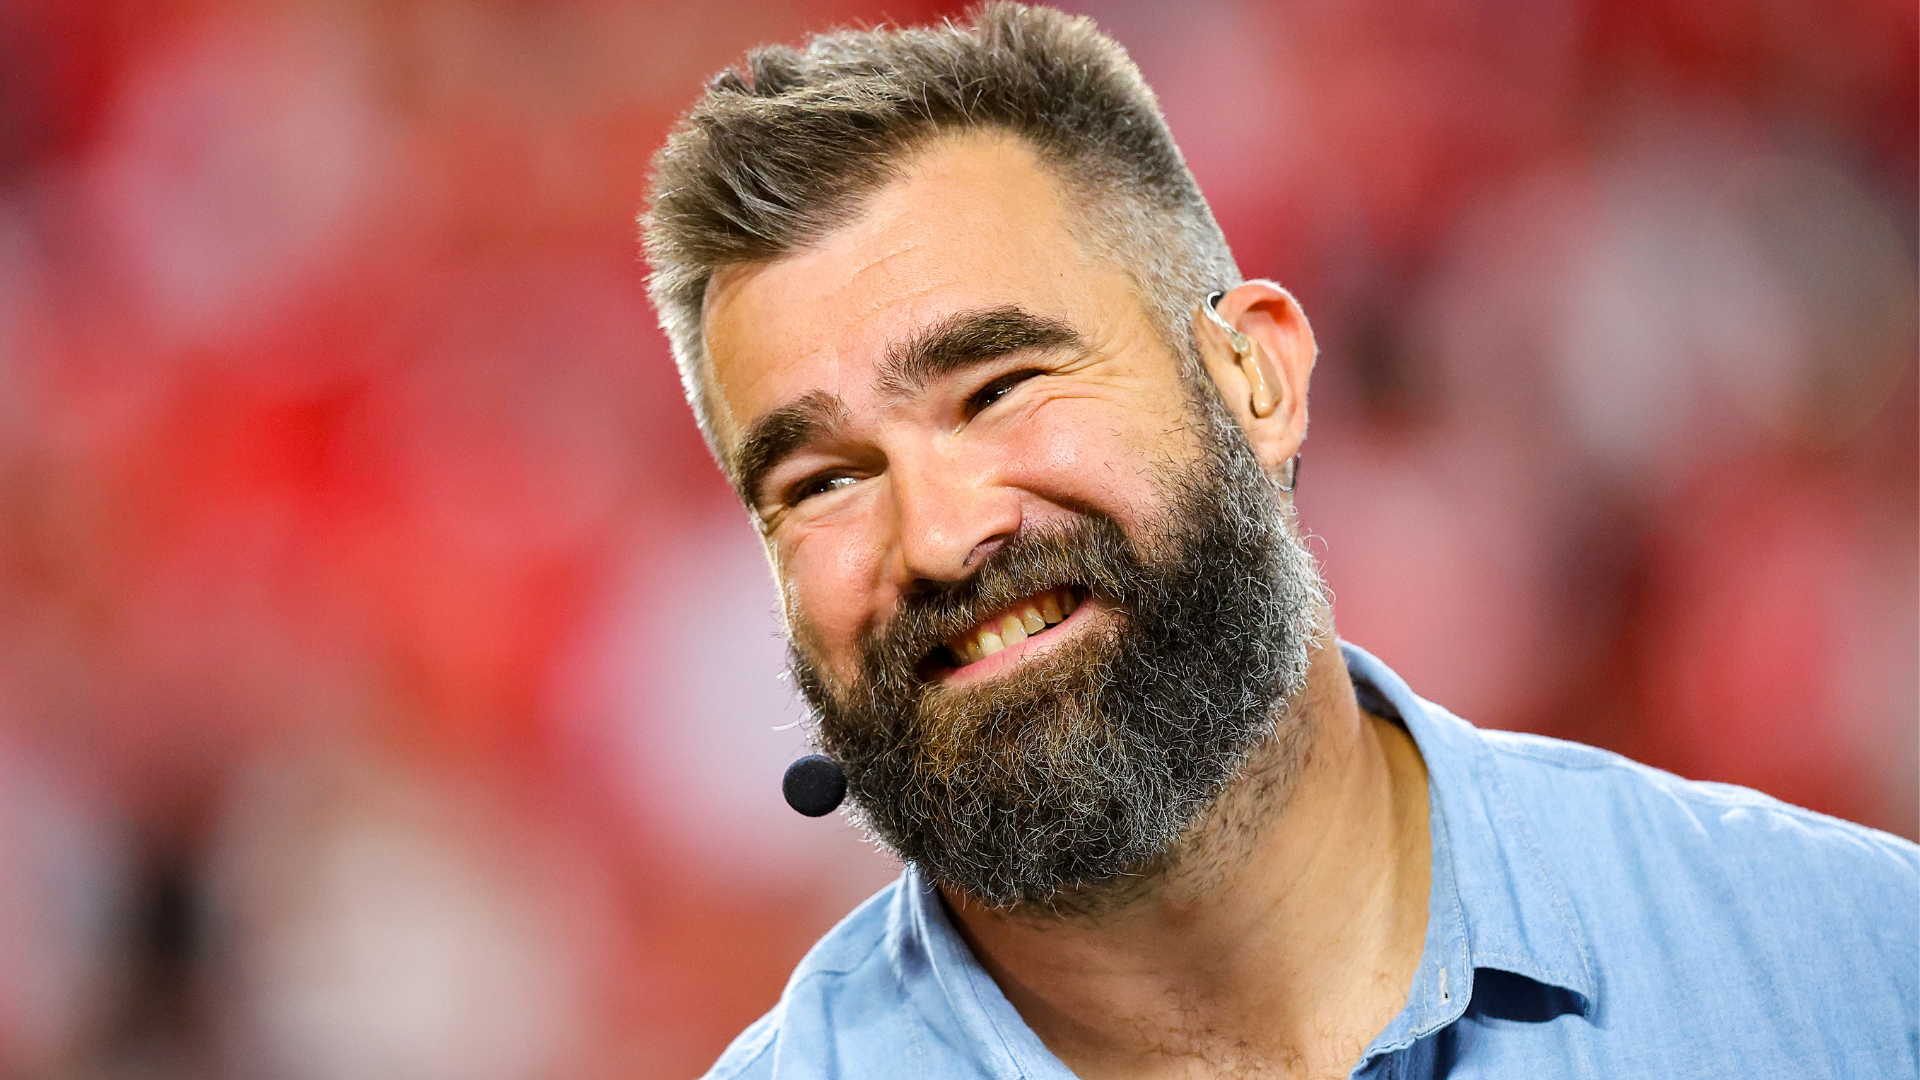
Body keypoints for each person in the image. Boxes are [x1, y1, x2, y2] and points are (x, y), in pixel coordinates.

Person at [639, 5, 1918, 1077]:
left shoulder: (1850, 970)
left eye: (1000, 387)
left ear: (1256, 377)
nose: (938, 534)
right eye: (820, 483)